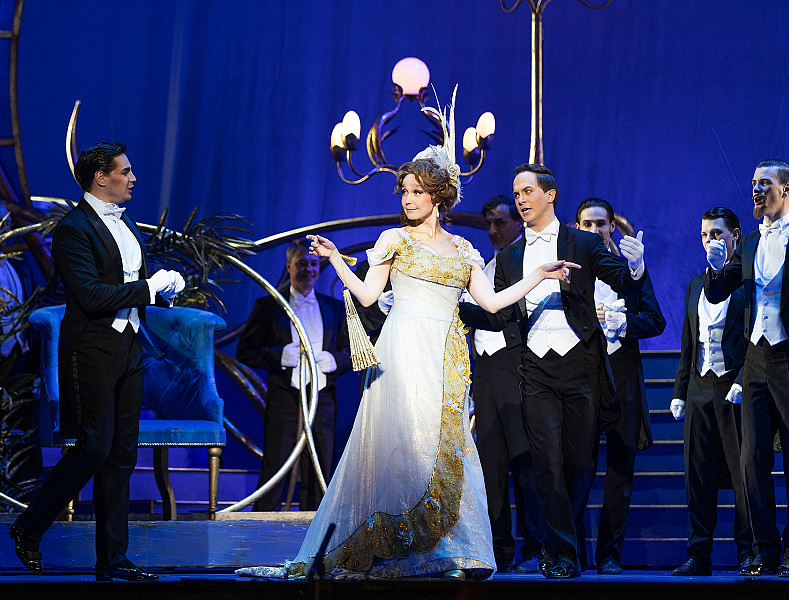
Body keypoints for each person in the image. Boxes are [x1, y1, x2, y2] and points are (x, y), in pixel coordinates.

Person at [236, 147, 576, 579]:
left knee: (443, 450)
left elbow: (491, 303)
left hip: (446, 356)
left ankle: (444, 551)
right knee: (404, 448)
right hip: (402, 350)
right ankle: (393, 551)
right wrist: (338, 259)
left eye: (417, 191)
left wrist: (538, 276)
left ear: (438, 196)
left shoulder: (464, 249)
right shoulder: (393, 240)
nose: (408, 199)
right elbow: (368, 297)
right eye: (404, 192)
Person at [8, 142, 184, 580]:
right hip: (91, 348)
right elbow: (89, 295)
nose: (133, 178)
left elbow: (128, 280)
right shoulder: (73, 229)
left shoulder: (126, 223)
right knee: (94, 448)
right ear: (101, 178)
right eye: (125, 171)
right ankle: (29, 526)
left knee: (121, 455)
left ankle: (113, 559)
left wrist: (163, 288)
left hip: (129, 346)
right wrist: (149, 288)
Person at [481, 164, 646, 579]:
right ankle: (563, 554)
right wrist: (456, 310)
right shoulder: (509, 256)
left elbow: (622, 281)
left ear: (550, 194)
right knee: (547, 462)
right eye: (516, 193)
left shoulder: (583, 242)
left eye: (527, 191)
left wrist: (636, 267)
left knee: (579, 464)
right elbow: (498, 312)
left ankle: (561, 545)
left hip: (580, 364)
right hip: (534, 367)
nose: (520, 199)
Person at [705, 159, 789, 577]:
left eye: (765, 184)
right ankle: (765, 548)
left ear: (788, 189)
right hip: (756, 360)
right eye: (754, 184)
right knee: (752, 459)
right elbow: (716, 293)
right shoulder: (748, 244)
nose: (757, 191)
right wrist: (716, 266)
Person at [574, 198, 665, 574]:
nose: (595, 230)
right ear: (577, 227)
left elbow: (656, 320)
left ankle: (609, 555)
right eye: (587, 224)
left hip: (621, 375)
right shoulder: (568, 271)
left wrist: (623, 321)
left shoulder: (632, 269)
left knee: (620, 470)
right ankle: (571, 553)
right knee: (577, 468)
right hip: (580, 378)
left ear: (612, 227)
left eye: (601, 223)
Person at [237, 239, 352, 511]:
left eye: (313, 264)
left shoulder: (334, 308)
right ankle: (263, 527)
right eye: (301, 264)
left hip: (322, 398)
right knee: (276, 466)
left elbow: (351, 351)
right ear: (289, 267)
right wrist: (279, 356)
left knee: (319, 466)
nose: (308, 269)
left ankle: (315, 528)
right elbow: (245, 351)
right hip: (285, 398)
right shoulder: (268, 307)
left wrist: (335, 360)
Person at [465, 195, 546, 573]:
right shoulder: (485, 264)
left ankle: (534, 547)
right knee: (491, 464)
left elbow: (503, 314)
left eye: (500, 222)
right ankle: (497, 549)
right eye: (489, 223)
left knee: (524, 460)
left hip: (516, 365)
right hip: (485, 369)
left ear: (518, 223)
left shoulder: (525, 261)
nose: (493, 229)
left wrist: (455, 306)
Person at [670, 207, 752, 576]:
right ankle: (698, 553)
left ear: (735, 235)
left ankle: (748, 551)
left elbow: (755, 341)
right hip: (700, 387)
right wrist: (680, 390)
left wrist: (743, 380)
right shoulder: (694, 285)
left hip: (734, 386)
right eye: (705, 235)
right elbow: (689, 344)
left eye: (717, 234)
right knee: (698, 474)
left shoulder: (748, 283)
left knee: (742, 474)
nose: (710, 241)